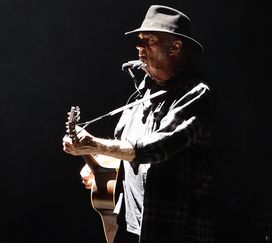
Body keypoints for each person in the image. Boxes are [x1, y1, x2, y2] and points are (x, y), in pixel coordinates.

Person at [62, 4, 214, 243]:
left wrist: (95, 145)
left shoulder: (196, 94)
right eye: (139, 41)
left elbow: (156, 148)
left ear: (175, 46)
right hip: (131, 227)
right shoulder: (143, 93)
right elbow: (125, 144)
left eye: (149, 41)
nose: (139, 48)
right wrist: (99, 163)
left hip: (174, 230)